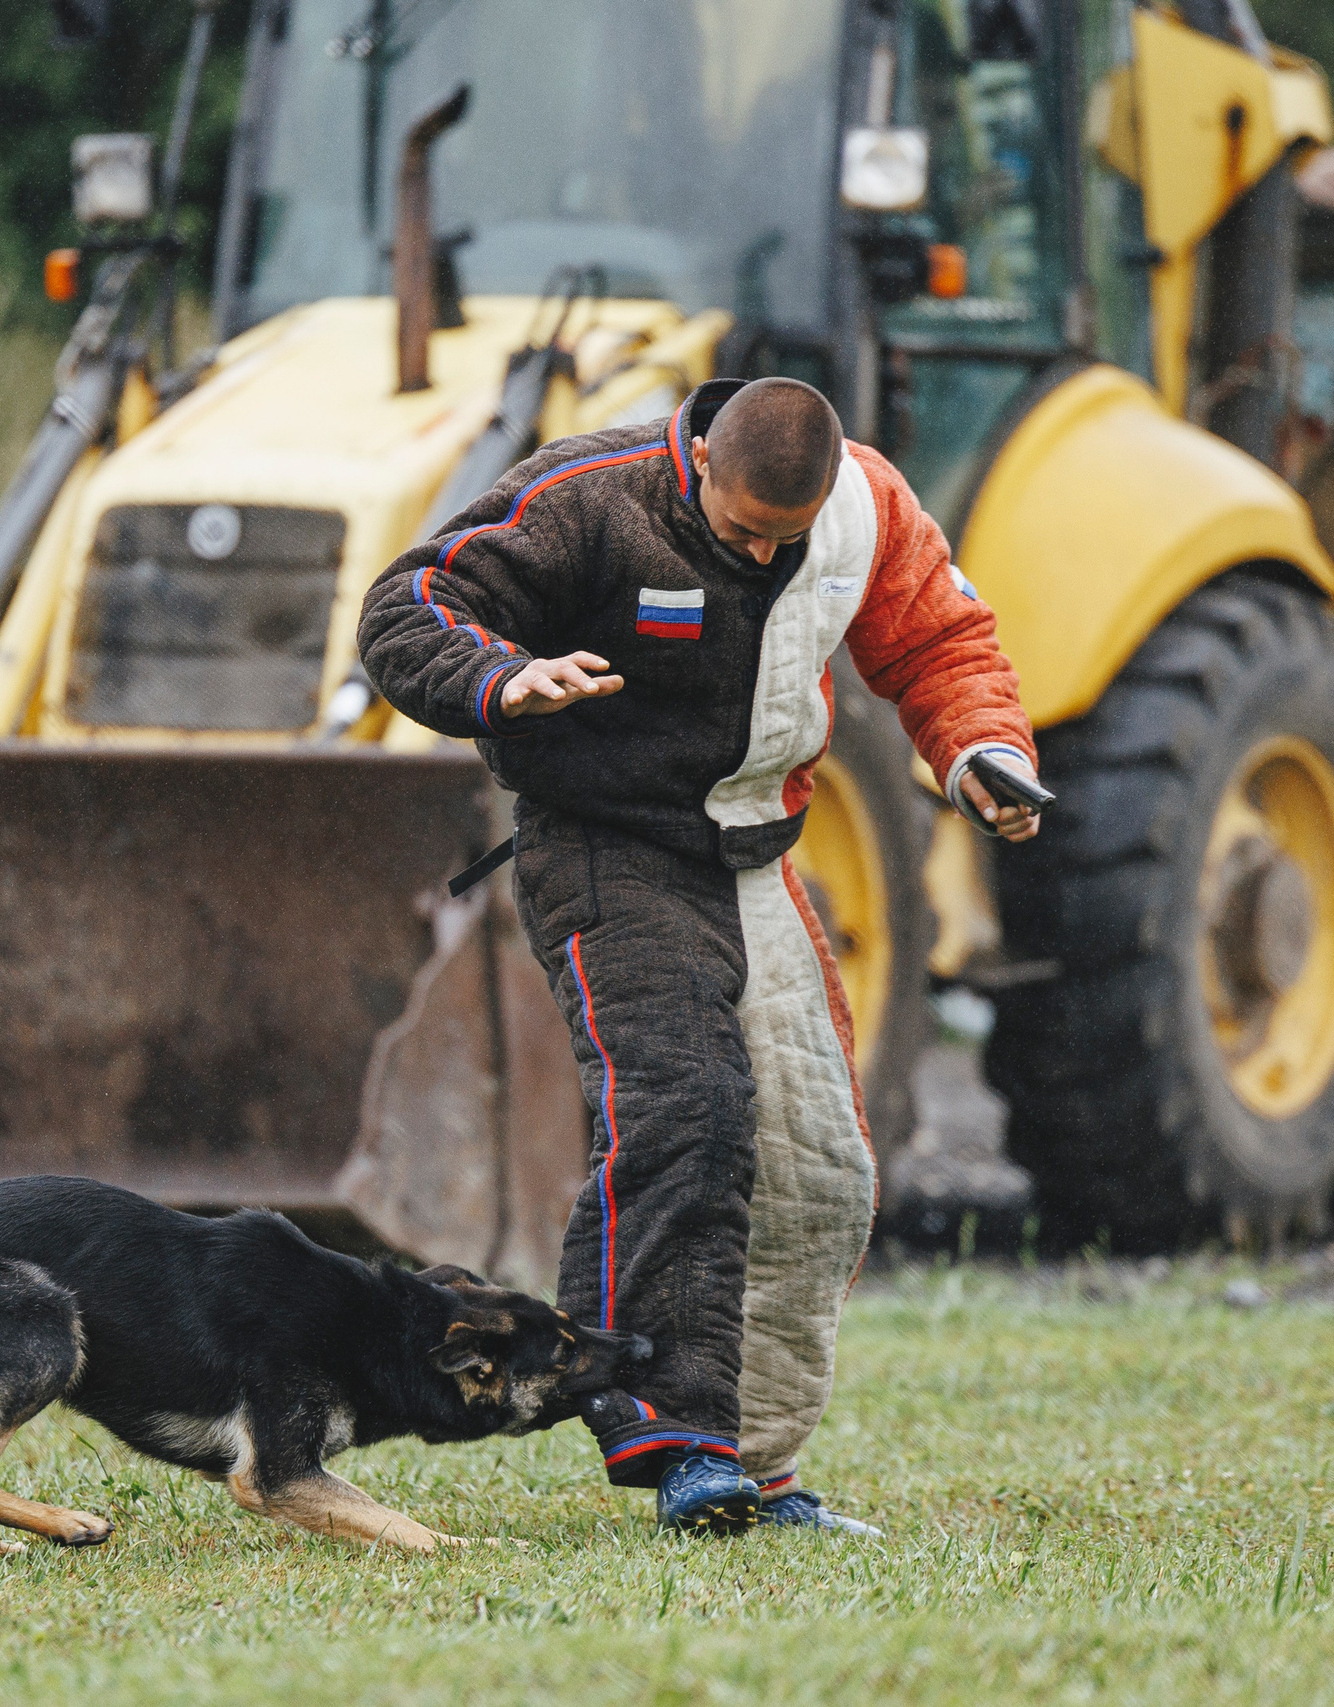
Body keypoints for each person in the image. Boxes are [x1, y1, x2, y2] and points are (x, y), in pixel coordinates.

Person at [358, 377, 1038, 1537]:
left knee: (823, 1170)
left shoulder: (866, 506)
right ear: (699, 463)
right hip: (608, 848)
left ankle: (756, 1471)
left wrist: (980, 751)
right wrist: (501, 678)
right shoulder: (589, 498)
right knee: (689, 1112)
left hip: (761, 859)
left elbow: (940, 642)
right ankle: (673, 1436)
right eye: (740, 534)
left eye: (789, 538)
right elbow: (407, 607)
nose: (765, 555)